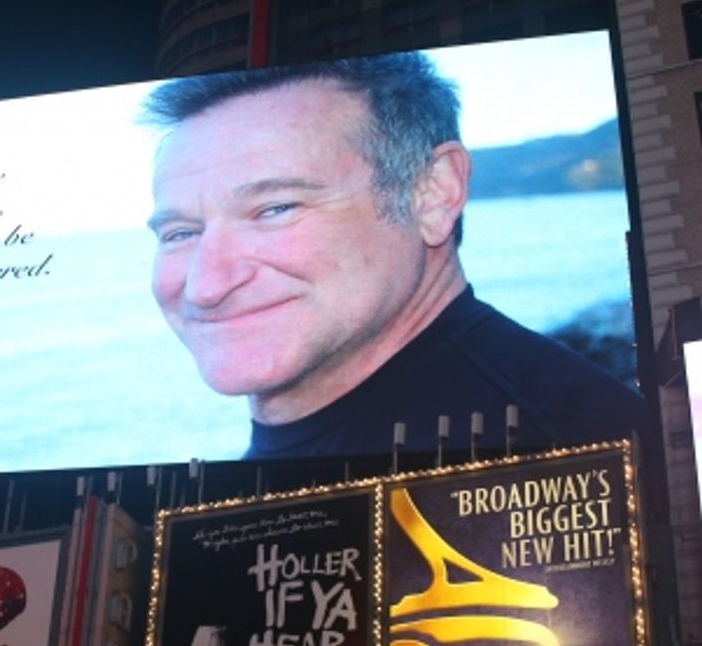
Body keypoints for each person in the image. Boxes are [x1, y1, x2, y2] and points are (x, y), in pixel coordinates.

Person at [144, 53, 650, 459]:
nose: (205, 285)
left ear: (433, 194)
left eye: (275, 208)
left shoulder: (566, 455)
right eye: (180, 233)